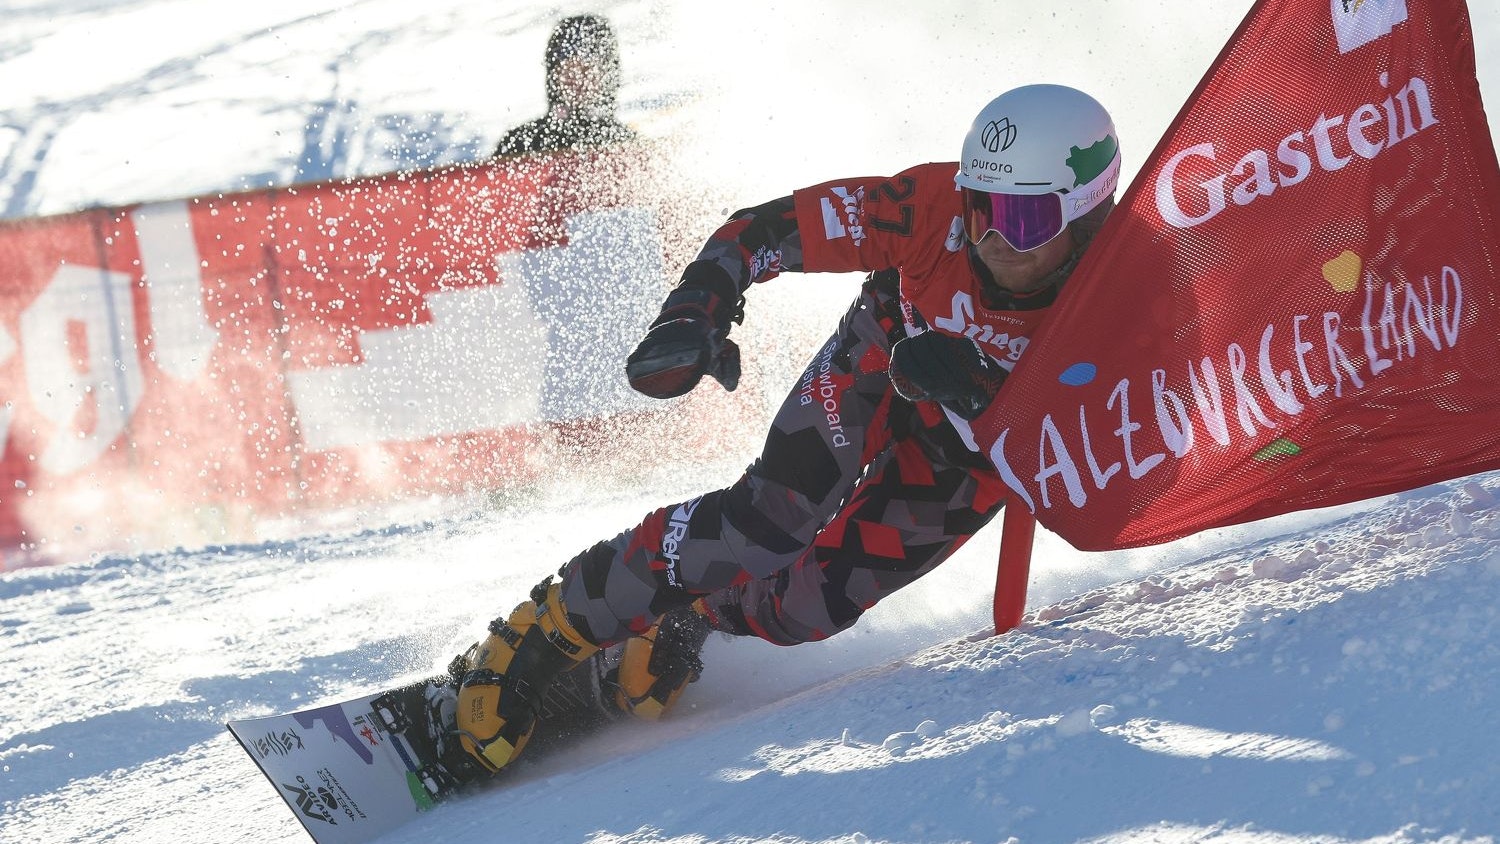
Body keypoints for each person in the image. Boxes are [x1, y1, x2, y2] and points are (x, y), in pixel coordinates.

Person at [446, 83, 1123, 780]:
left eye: (1024, 219)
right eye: (982, 207)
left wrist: (984, 391)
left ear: (1089, 215)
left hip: (972, 453)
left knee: (810, 605)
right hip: (883, 352)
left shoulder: (1126, 291)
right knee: (771, 519)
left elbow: (1108, 462)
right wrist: (696, 310)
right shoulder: (929, 209)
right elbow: (763, 232)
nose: (990, 239)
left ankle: (690, 609)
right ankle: (555, 624)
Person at [492, 14, 636, 158]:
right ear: (553, 77)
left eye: (586, 70)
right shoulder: (521, 143)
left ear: (606, 76)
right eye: (568, 70)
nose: (577, 80)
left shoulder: (627, 146)